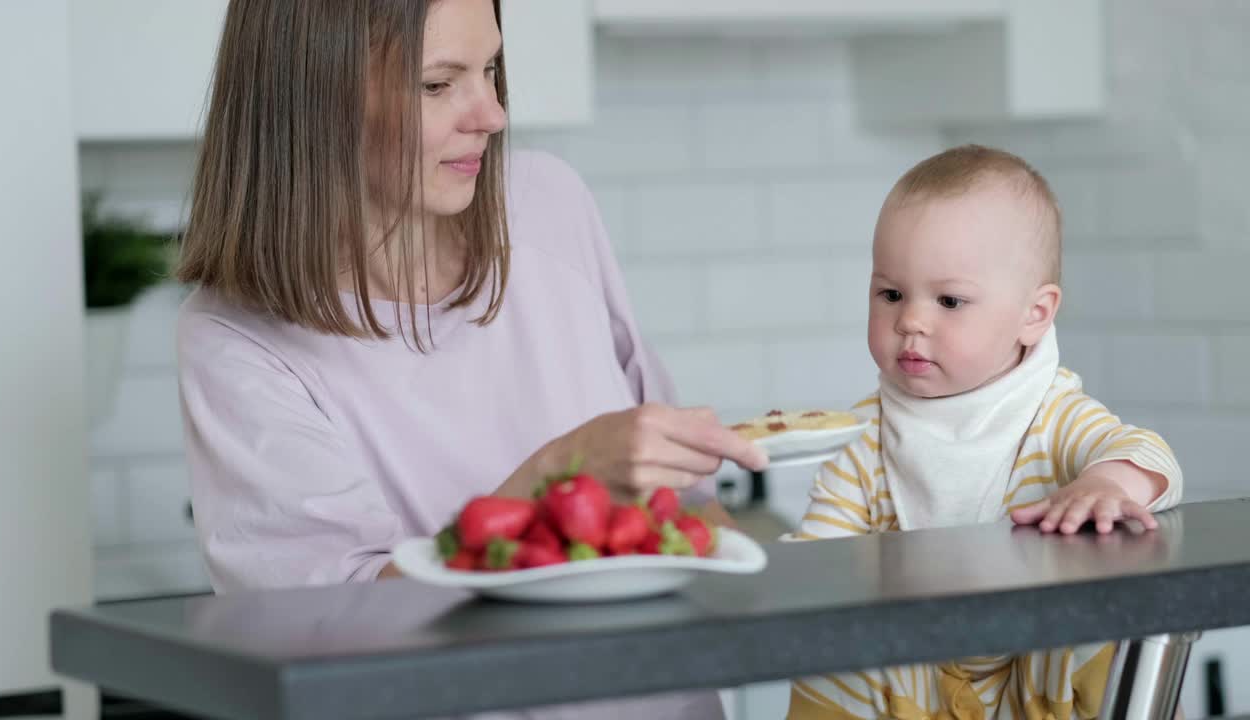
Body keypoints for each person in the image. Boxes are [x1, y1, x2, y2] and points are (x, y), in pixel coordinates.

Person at [174, 1, 763, 717]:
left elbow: (682, 498)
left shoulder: (547, 202)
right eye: (437, 84)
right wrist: (555, 474)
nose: (491, 115)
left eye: (489, 70)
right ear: (313, 100)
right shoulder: (235, 341)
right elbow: (327, 634)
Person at [784, 144, 1183, 719]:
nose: (911, 320)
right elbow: (821, 555)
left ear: (1035, 314)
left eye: (950, 300)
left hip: (1035, 669)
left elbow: (1147, 453)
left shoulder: (1051, 414)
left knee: (1106, 610)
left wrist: (1108, 485)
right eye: (891, 294)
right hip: (909, 675)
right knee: (831, 651)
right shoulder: (864, 438)